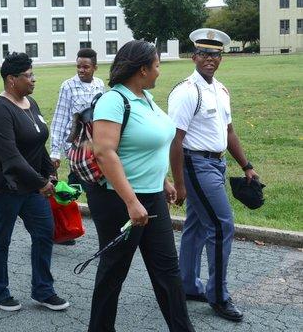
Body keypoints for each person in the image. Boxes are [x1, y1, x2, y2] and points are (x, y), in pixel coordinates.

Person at [88, 40, 195, 332]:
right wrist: (132, 201)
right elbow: (104, 152)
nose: (160, 71)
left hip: (153, 196)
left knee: (167, 272)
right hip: (119, 200)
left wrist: (162, 180)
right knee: (114, 272)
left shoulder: (145, 97)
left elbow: (146, 145)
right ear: (142, 69)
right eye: (157, 65)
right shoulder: (113, 100)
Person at [168, 28, 259, 322]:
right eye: (204, 53)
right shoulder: (186, 91)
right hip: (196, 165)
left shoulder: (220, 90)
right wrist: (179, 184)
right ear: (194, 56)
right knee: (221, 226)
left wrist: (246, 165)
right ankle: (218, 296)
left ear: (221, 57)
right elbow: (175, 140)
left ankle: (187, 284)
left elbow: (229, 131)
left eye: (215, 54)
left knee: (196, 224)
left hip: (216, 164)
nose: (210, 58)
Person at [0, 52, 69, 312]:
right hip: (3, 185)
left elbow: (38, 145)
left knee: (44, 232)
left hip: (30, 184)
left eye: (32, 74)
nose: (33, 80)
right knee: (0, 239)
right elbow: (11, 157)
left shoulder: (31, 102)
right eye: (28, 76)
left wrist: (49, 174)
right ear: (11, 79)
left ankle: (43, 290)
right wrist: (41, 182)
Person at [50, 48, 104, 245]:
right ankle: (65, 229)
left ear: (95, 68)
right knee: (76, 188)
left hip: (95, 146)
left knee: (88, 187)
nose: (81, 70)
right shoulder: (68, 86)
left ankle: (75, 229)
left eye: (86, 67)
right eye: (79, 66)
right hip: (76, 147)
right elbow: (60, 118)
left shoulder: (99, 84)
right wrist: (55, 152)